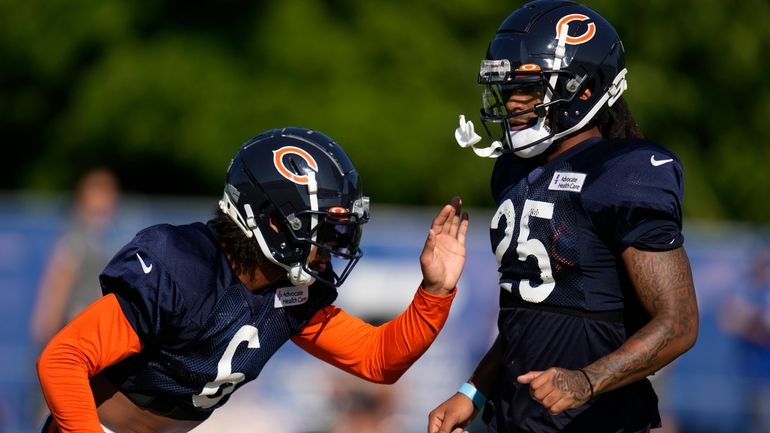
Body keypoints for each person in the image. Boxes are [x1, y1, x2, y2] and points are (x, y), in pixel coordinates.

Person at [37, 126, 469, 433]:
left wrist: (435, 291)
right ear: (272, 222)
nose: (332, 247)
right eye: (320, 229)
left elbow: (379, 359)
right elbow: (63, 361)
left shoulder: (291, 294)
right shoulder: (185, 266)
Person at [428, 1, 699, 432]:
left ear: (584, 90)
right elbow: (532, 313)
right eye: (509, 89)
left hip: (597, 422)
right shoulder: (515, 172)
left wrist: (587, 380)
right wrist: (474, 390)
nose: (514, 104)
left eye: (529, 90)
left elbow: (679, 324)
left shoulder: (622, 173)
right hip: (515, 417)